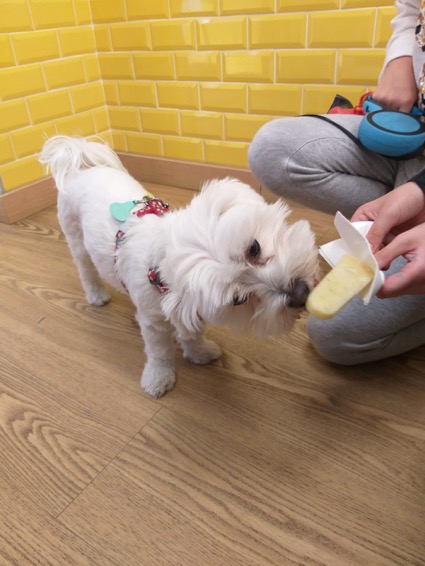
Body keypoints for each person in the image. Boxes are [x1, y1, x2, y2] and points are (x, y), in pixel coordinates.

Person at [248, 0, 425, 365]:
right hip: (410, 127)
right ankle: (404, 212)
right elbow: (410, 8)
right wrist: (401, 53)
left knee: (332, 336)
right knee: (271, 149)